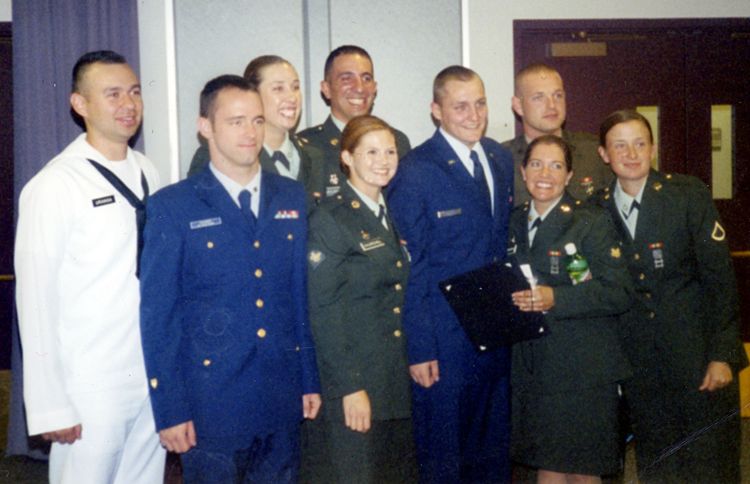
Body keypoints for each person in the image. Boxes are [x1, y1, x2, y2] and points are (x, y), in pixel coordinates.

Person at [139, 74, 321, 483]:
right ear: (206, 127)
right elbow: (159, 318)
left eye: (257, 120)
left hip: (280, 394)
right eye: (236, 121)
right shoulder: (173, 206)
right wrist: (171, 409)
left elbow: (297, 296)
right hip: (211, 404)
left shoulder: (290, 195)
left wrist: (308, 377)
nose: (250, 132)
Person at [14, 50, 165, 483]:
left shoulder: (148, 172)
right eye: (113, 94)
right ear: (80, 105)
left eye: (134, 92)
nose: (129, 104)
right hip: (89, 382)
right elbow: (35, 300)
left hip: (146, 370)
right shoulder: (55, 185)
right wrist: (49, 404)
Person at [592, 109, 747, 483]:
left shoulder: (686, 195)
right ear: (604, 154)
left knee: (711, 463)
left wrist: (723, 355)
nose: (631, 153)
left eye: (640, 143)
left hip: (697, 358)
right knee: (658, 465)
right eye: (620, 145)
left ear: (653, 149)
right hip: (640, 367)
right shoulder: (594, 210)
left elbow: (720, 280)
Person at [387, 65, 514, 483]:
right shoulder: (415, 170)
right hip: (444, 344)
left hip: (494, 335)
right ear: (436, 110)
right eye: (460, 106)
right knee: (444, 460)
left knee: (491, 457)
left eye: (480, 103)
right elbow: (412, 269)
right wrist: (420, 348)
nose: (473, 114)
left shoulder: (499, 157)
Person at [508, 135, 632, 483]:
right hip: (535, 367)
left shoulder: (589, 221)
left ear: (569, 175)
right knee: (548, 466)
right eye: (536, 164)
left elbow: (618, 291)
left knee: (582, 472)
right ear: (523, 170)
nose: (545, 173)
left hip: (583, 368)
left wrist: (555, 298)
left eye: (556, 165)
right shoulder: (514, 222)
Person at [301, 115, 417, 483]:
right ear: (347, 157)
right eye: (371, 152)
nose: (383, 160)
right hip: (356, 381)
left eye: (390, 151)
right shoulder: (331, 219)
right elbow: (325, 311)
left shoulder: (386, 212)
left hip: (391, 380)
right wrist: (350, 387)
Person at [187, 55, 326, 201]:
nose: (292, 97)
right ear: (253, 95)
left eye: (295, 87)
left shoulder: (313, 155)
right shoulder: (218, 155)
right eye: (278, 88)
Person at [298, 45, 411, 198]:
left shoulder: (398, 142)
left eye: (366, 78)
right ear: (326, 89)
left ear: (375, 88)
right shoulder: (307, 147)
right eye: (346, 78)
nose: (359, 88)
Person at [502, 63, 612, 206]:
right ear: (518, 106)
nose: (552, 105)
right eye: (539, 97)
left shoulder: (594, 152)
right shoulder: (502, 160)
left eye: (558, 95)